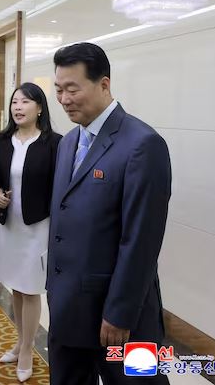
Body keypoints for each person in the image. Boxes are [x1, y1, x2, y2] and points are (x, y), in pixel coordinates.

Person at [47, 42, 171, 385]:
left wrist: (120, 313)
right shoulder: (68, 142)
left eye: (72, 89)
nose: (64, 99)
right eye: (58, 89)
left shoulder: (142, 144)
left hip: (121, 314)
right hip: (68, 305)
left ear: (104, 84)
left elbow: (141, 241)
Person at [0, 82, 61, 382]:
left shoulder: (54, 143)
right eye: (14, 102)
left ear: (40, 108)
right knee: (17, 288)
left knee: (31, 288)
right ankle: (20, 341)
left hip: (38, 226)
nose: (17, 107)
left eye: (25, 102)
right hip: (10, 226)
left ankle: (28, 350)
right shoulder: (5, 139)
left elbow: (59, 188)